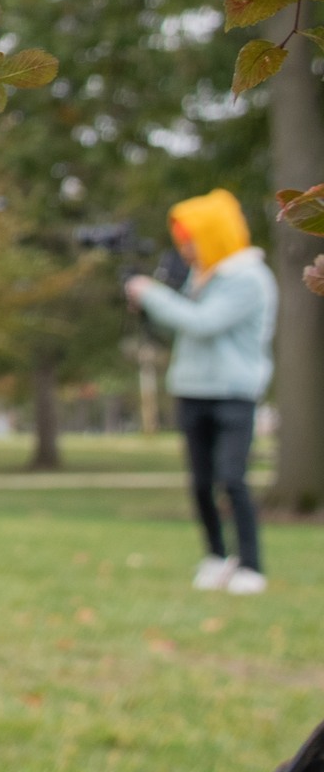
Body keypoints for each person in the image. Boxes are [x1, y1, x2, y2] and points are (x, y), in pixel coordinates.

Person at [130, 189, 280, 593]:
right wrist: (149, 306)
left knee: (233, 478)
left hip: (234, 392)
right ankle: (216, 556)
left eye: (190, 239)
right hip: (192, 389)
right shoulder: (201, 276)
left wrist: (151, 294)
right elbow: (180, 326)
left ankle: (250, 565)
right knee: (200, 482)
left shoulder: (248, 277)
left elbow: (203, 323)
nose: (185, 249)